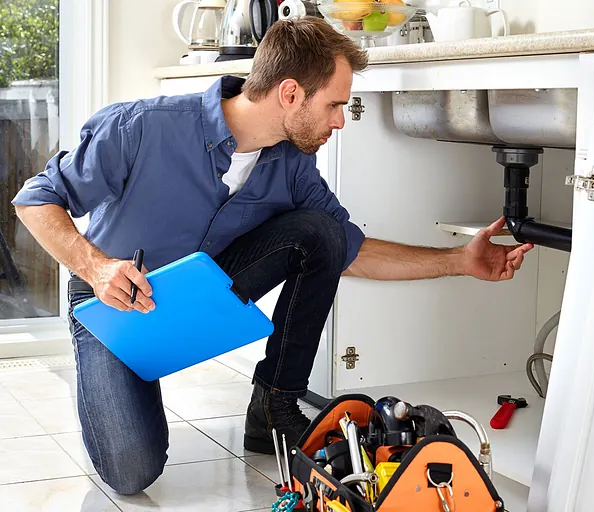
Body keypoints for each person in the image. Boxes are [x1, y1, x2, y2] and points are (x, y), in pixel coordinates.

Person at [12, 18, 533, 495]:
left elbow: (348, 251)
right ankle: (132, 366)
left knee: (321, 232)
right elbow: (35, 199)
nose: (340, 122)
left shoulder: (293, 168)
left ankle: (273, 407)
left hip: (201, 289)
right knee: (131, 472)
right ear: (290, 93)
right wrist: (97, 268)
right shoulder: (141, 126)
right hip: (116, 301)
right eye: (334, 105)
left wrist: (459, 260)